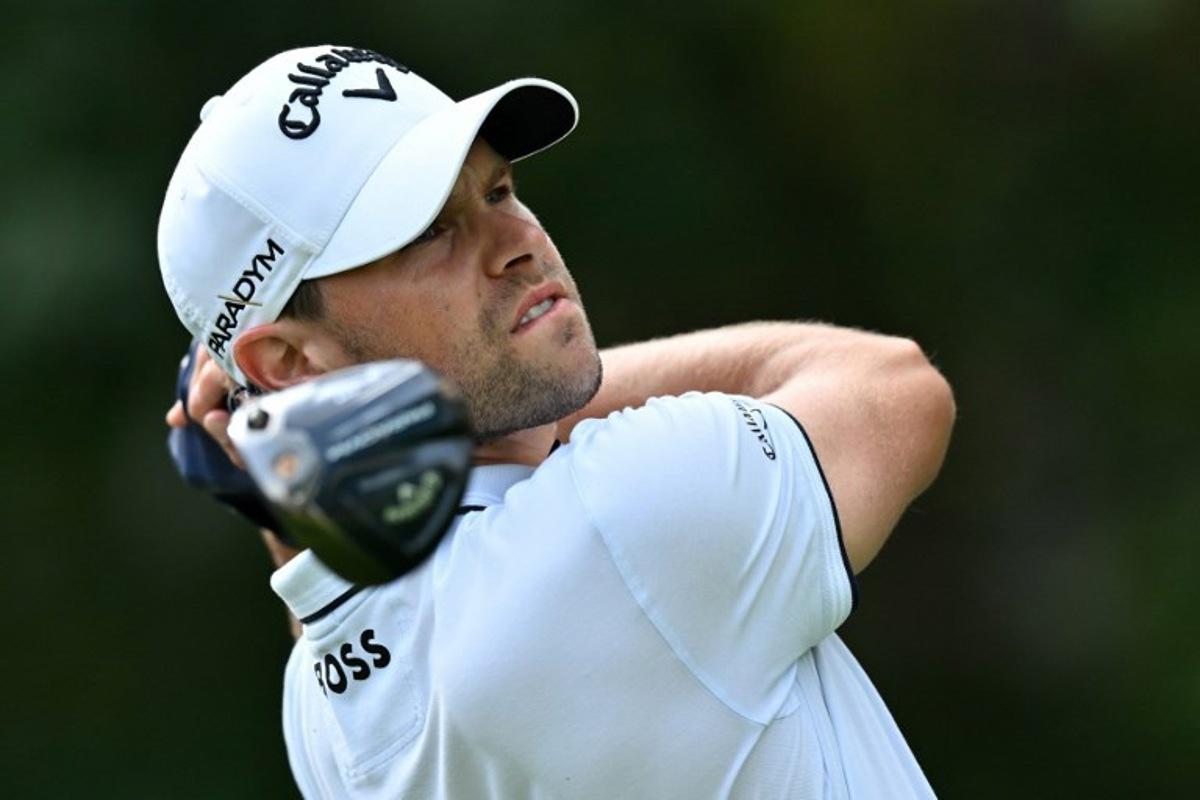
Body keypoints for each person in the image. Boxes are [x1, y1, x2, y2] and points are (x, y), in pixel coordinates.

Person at [160, 45, 955, 799]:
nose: (519, 242)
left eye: (498, 191)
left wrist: (292, 444)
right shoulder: (626, 515)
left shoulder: (320, 710)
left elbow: (341, 606)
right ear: (291, 361)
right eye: (429, 232)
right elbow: (893, 388)